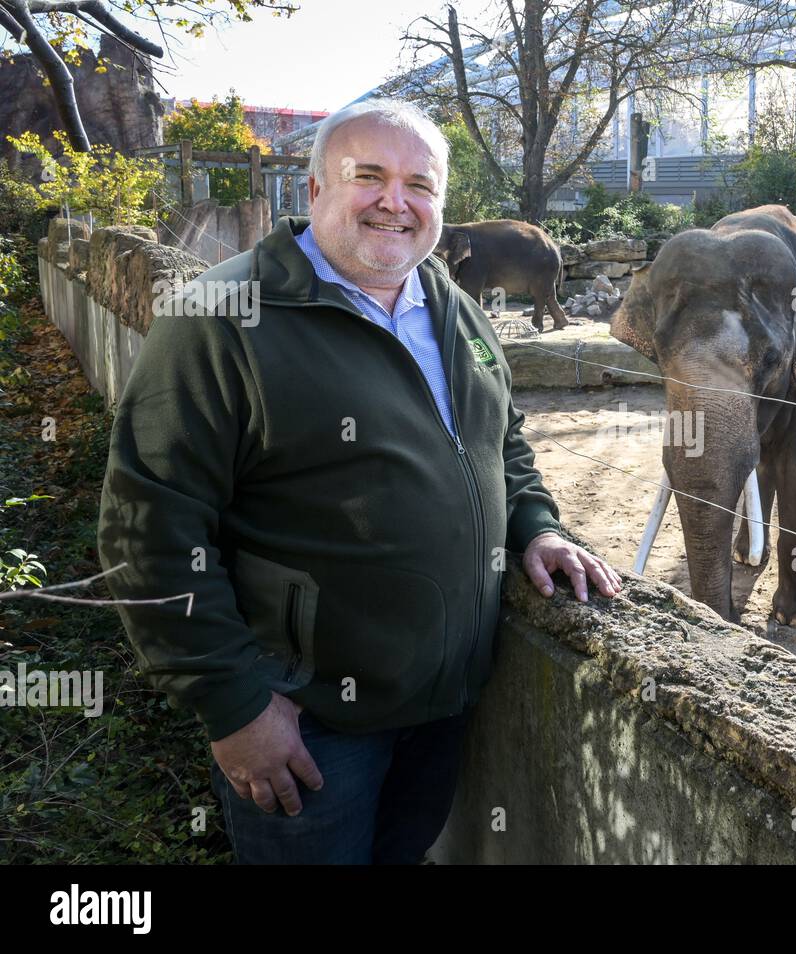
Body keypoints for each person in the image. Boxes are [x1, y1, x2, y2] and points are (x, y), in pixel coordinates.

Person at [97, 98, 622, 864]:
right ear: (313, 192)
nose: (395, 201)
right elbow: (149, 527)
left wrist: (536, 526)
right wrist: (233, 705)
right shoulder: (221, 317)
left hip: (443, 705)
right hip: (305, 722)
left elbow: (499, 440)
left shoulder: (454, 310)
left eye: (420, 184)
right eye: (368, 176)